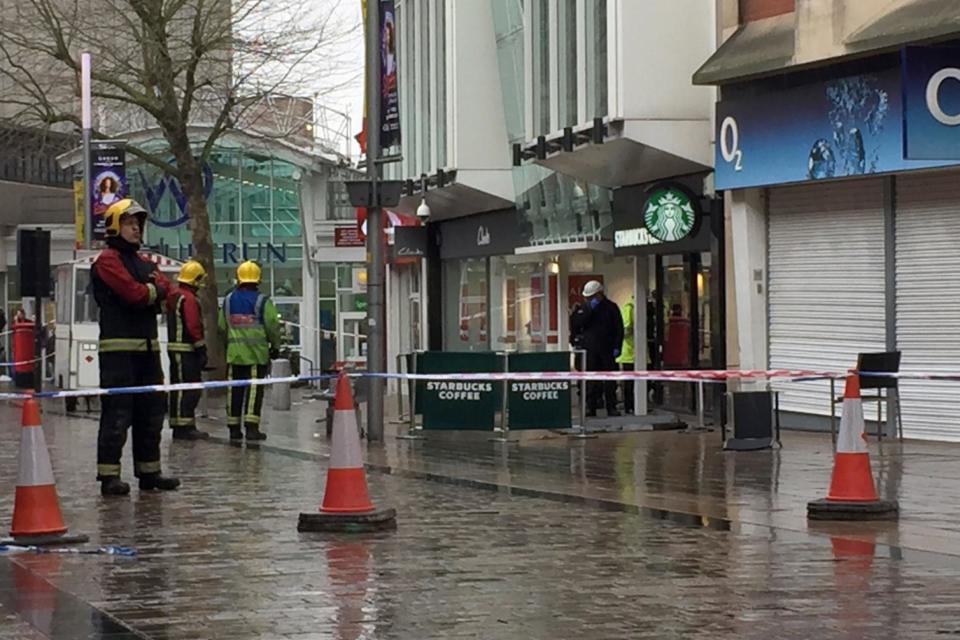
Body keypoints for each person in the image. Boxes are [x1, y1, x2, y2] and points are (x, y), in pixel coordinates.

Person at [91, 198, 179, 496]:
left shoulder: (145, 262)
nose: (136, 229)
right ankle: (109, 476)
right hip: (118, 354)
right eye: (130, 224)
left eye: (138, 224)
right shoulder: (107, 260)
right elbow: (133, 294)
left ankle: (149, 472)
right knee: (118, 414)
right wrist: (152, 290)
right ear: (116, 226)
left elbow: (168, 293)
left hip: (148, 350)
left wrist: (151, 291)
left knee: (151, 414)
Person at [219, 260, 281, 441]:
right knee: (254, 391)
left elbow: (221, 327)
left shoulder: (228, 300)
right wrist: (275, 346)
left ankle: (233, 429)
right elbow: (272, 326)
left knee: (233, 391)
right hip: (256, 355)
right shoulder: (263, 301)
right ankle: (252, 428)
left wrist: (229, 345)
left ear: (238, 278)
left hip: (234, 355)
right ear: (258, 279)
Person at [166, 259, 211, 441]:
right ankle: (186, 426)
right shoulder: (189, 299)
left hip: (175, 349)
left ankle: (179, 424)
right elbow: (193, 326)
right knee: (191, 388)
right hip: (186, 350)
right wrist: (201, 349)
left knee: (178, 388)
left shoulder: (175, 295)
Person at [570, 280, 624, 417]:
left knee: (610, 381)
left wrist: (618, 346)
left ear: (600, 294)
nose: (589, 299)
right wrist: (589, 310)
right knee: (591, 381)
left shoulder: (611, 308)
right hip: (590, 351)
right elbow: (576, 324)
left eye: (592, 297)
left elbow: (619, 329)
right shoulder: (583, 309)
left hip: (607, 349)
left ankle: (611, 407)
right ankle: (590, 407)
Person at [617, 295, 635, 415]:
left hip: (638, 352)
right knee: (629, 383)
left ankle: (633, 405)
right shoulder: (629, 308)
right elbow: (626, 329)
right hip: (629, 352)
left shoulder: (632, 308)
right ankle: (629, 406)